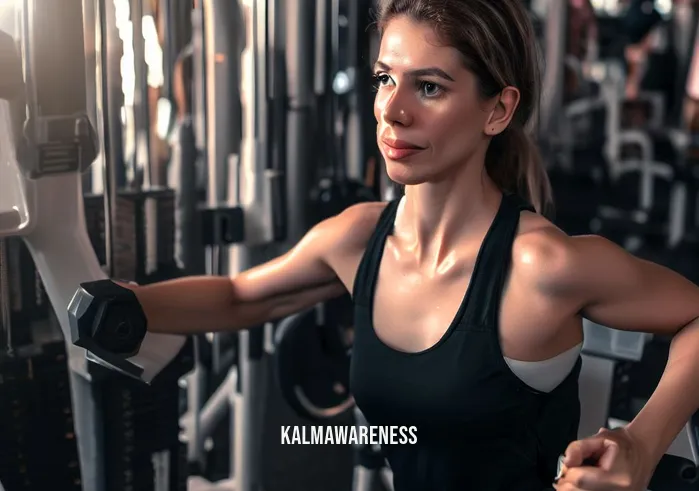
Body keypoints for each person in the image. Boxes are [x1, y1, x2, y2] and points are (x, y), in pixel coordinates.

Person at [125, 1, 699, 490]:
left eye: (429, 87)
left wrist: (642, 445)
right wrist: (127, 304)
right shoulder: (359, 238)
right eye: (385, 78)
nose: (393, 111)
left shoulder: (540, 266)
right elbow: (239, 297)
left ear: (497, 109)